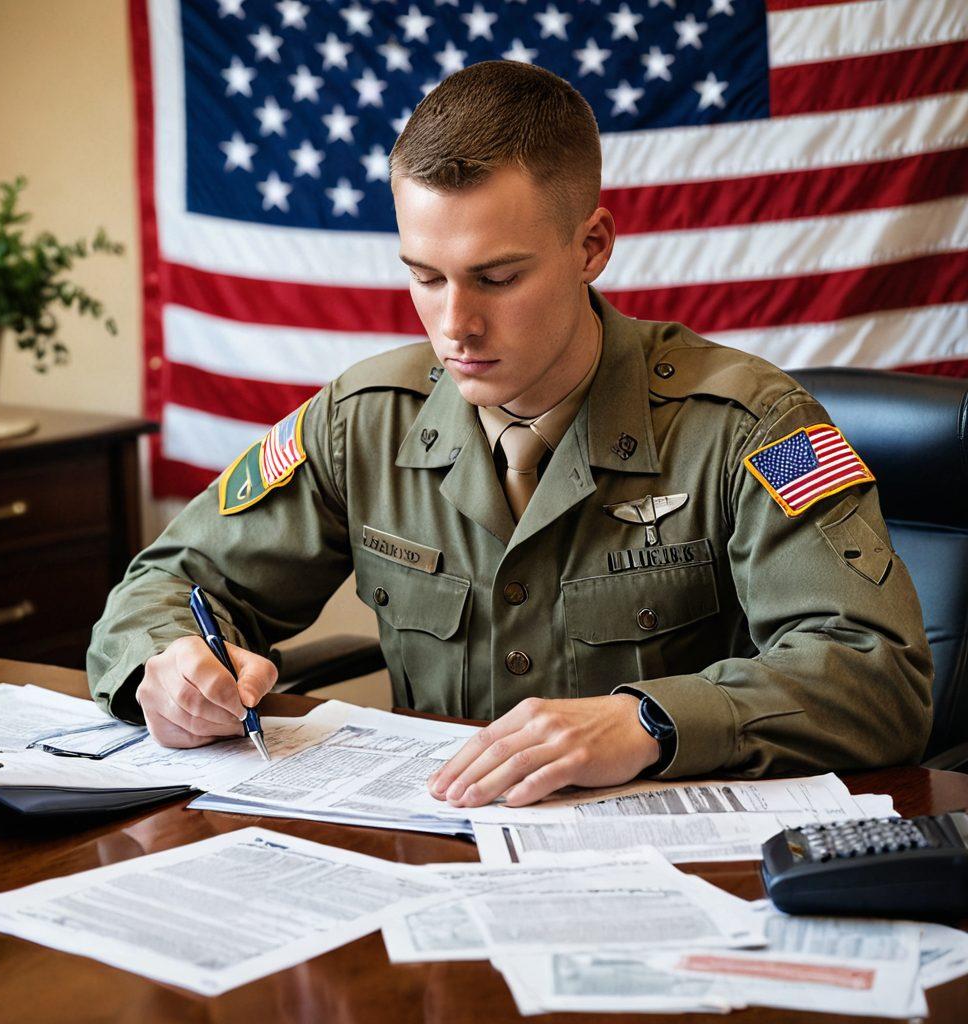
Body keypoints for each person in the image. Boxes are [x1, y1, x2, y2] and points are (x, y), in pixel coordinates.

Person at [88, 60, 932, 810]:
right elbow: (171, 580)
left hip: (668, 867)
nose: (455, 324)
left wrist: (647, 722)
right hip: (429, 843)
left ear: (591, 245)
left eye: (498, 277)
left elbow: (877, 676)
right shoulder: (364, 418)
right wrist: (169, 663)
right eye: (425, 277)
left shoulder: (750, 425)